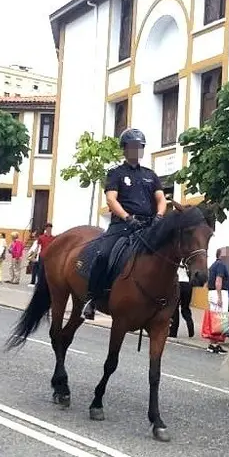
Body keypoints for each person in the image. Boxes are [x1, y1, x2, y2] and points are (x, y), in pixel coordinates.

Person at [83, 128, 166, 320]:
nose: (137, 150)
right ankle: (92, 298)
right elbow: (111, 200)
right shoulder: (116, 173)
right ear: (125, 149)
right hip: (122, 225)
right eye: (133, 146)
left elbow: (161, 199)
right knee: (103, 255)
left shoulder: (150, 175)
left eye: (140, 146)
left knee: (164, 256)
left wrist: (159, 216)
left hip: (147, 226)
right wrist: (128, 217)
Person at [169, 265, 194, 338]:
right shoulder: (186, 263)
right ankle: (190, 329)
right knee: (185, 308)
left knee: (174, 309)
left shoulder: (176, 260)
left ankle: (173, 332)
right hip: (187, 285)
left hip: (178, 283)